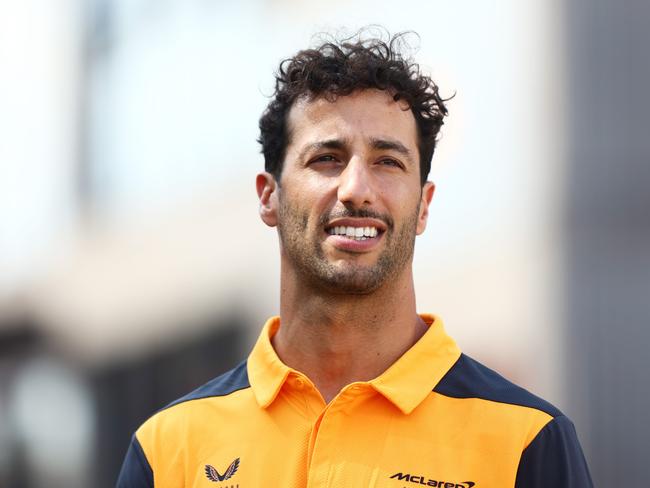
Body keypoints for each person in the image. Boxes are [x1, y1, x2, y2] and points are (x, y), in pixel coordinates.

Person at [117, 32, 593, 487]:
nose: (356, 190)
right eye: (326, 157)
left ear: (424, 204)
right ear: (269, 197)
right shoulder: (168, 449)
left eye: (388, 161)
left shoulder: (526, 441)